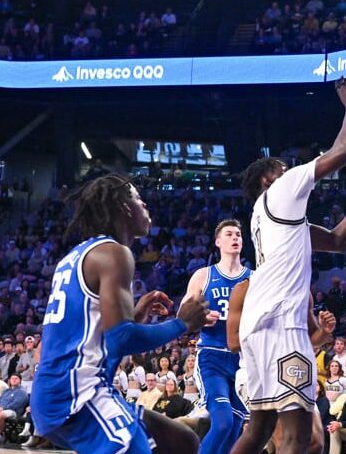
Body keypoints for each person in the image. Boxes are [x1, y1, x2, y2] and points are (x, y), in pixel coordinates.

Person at [230, 78, 346, 454]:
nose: (292, 171)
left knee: (257, 433)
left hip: (256, 329)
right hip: (283, 324)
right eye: (284, 168)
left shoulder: (268, 219)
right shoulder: (281, 188)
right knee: (300, 436)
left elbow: (338, 242)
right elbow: (344, 151)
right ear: (268, 178)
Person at [30, 175, 213, 453]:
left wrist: (135, 316)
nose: (145, 206)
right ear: (125, 208)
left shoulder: (77, 255)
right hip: (76, 395)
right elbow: (121, 340)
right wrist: (182, 323)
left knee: (181, 442)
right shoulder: (115, 253)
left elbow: (101, 343)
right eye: (140, 199)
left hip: (63, 390)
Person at [181, 219, 252, 454]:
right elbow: (183, 315)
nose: (235, 238)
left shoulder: (254, 277)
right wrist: (200, 316)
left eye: (239, 235)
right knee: (223, 423)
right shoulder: (203, 275)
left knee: (235, 427)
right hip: (212, 356)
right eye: (230, 234)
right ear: (218, 242)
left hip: (243, 361)